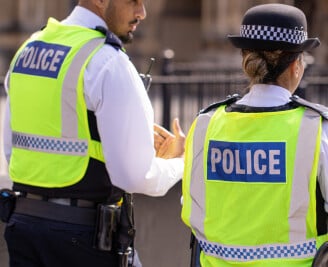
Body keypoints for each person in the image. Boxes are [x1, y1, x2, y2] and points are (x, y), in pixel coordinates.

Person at [2, 0, 185, 267]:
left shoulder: (28, 49)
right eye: (133, 1)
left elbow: (12, 150)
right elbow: (136, 177)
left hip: (24, 228)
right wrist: (177, 163)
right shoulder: (107, 61)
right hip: (83, 239)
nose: (142, 13)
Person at [181, 3, 328, 267]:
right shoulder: (317, 128)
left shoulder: (205, 123)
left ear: (246, 61)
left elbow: (192, 206)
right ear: (296, 66)